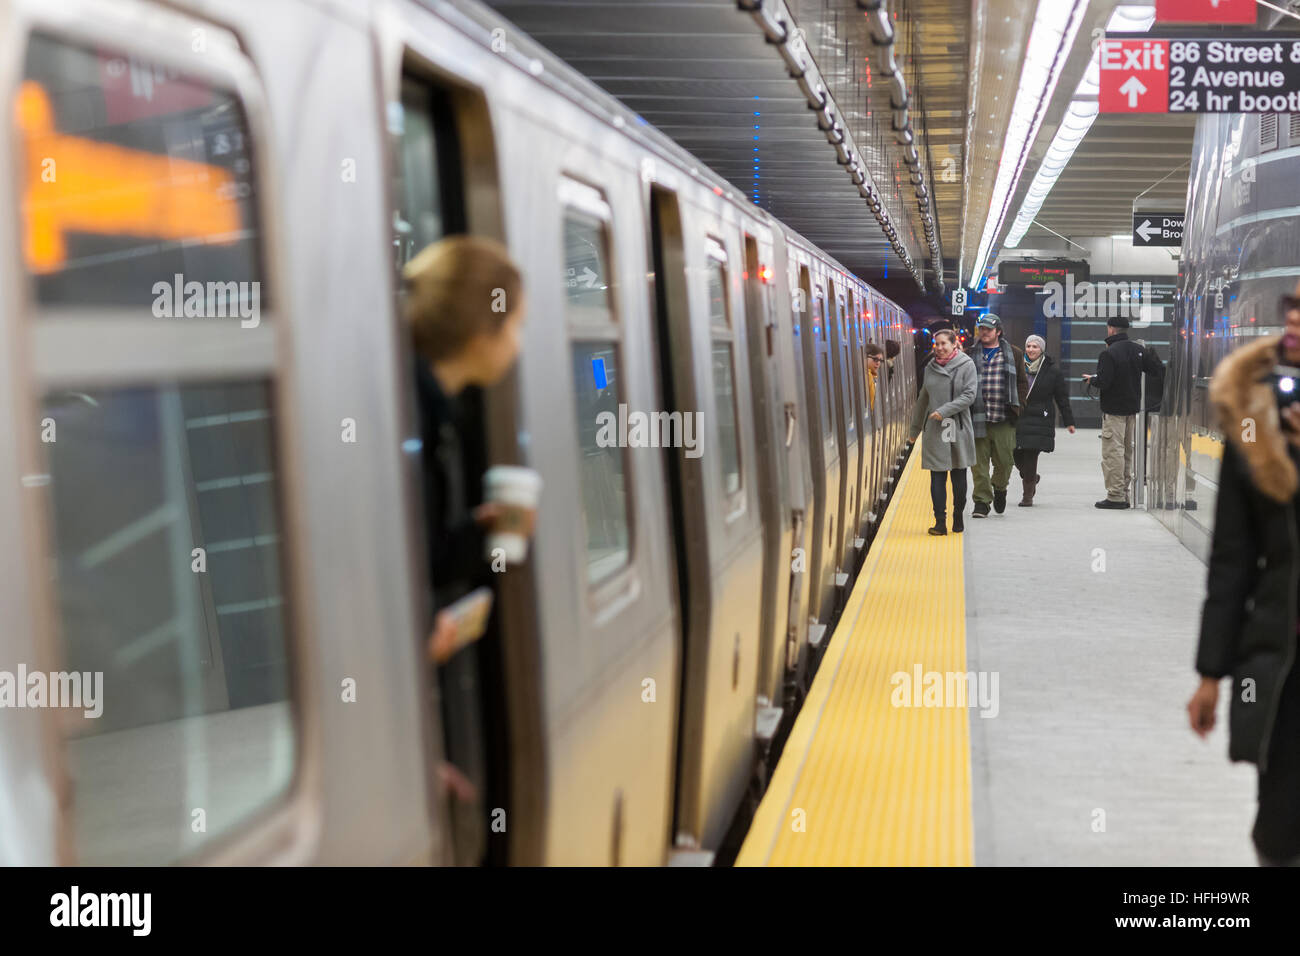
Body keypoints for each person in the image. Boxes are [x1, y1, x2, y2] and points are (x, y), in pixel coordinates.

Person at [403, 234, 535, 865]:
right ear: (485, 328)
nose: (518, 341)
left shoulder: (430, 407)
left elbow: (420, 552)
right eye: (516, 324)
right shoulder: (416, 416)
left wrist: (482, 535)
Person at [1188, 290, 1300, 866]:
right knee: (1280, 825)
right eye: (1292, 312)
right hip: (1281, 661)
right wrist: (1211, 673)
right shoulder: (1254, 426)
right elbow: (1233, 558)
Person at [1082, 317, 1163, 509]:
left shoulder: (1109, 353)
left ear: (1110, 329)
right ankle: (1124, 493)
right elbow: (1157, 369)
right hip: (1131, 410)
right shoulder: (1138, 350)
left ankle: (1115, 495)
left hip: (1113, 411)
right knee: (1126, 452)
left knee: (1113, 452)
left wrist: (1092, 380)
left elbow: (1105, 382)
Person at [909, 329, 977, 536]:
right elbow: (923, 399)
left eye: (943, 344)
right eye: (936, 344)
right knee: (937, 476)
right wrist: (915, 429)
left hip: (958, 426)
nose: (939, 348)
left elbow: (969, 395)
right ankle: (940, 521)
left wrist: (944, 410)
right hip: (935, 429)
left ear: (954, 345)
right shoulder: (930, 368)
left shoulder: (967, 365)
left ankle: (958, 516)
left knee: (958, 475)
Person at [968, 314, 1029, 517]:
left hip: (1004, 417)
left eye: (988, 329)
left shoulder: (1014, 353)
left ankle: (1000, 488)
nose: (983, 332)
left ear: (998, 331)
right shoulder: (970, 354)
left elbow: (1022, 382)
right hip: (977, 418)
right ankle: (981, 502)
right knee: (979, 464)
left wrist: (1019, 405)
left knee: (1005, 461)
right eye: (981, 329)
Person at [1013, 334, 1075, 506]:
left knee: (1031, 455)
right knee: (1014, 454)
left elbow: (1061, 397)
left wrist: (1068, 420)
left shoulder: (1052, 370)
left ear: (1042, 349)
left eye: (1035, 347)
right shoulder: (1017, 367)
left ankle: (1027, 496)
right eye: (1028, 346)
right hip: (1018, 416)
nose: (1031, 350)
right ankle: (1031, 477)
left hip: (1040, 417)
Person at [865, 343, 884, 411]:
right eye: (875, 359)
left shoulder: (872, 375)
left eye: (880, 360)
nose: (878, 363)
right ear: (865, 357)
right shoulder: (867, 376)